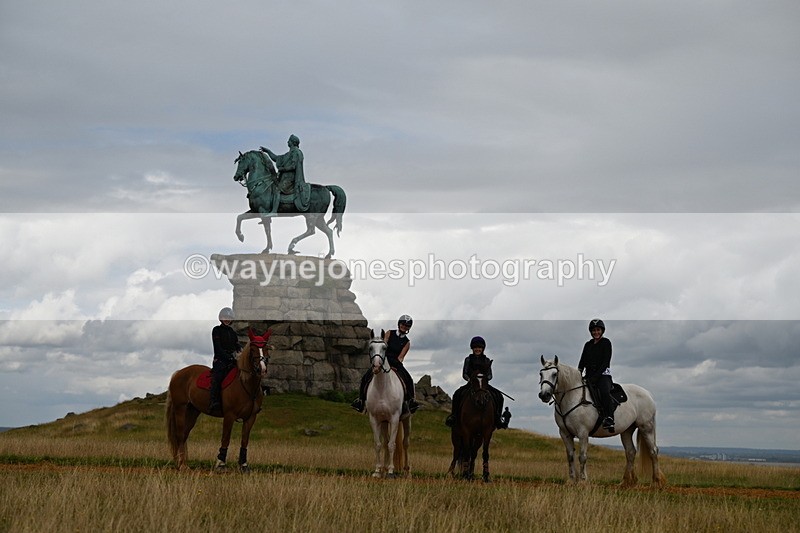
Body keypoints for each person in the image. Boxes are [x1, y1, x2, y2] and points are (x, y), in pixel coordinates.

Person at [351, 315, 419, 414]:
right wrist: (382, 362)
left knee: (409, 379)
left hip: (396, 363)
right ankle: (360, 401)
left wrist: (393, 366)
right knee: (365, 377)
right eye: (403, 324)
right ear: (399, 324)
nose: (404, 327)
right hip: (384, 359)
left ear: (409, 328)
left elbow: (401, 357)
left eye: (407, 326)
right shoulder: (389, 333)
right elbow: (384, 346)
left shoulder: (407, 342)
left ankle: (410, 402)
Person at [445, 336, 508, 429]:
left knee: (499, 396)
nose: (477, 349)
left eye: (479, 348)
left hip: (484, 385)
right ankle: (454, 416)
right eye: (475, 348)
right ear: (472, 349)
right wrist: (469, 379)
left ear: (483, 349)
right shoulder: (468, 359)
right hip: (471, 384)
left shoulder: (486, 360)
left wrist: (485, 379)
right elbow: (464, 373)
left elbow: (490, 375)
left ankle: (497, 418)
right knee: (457, 394)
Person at [578, 318, 615, 432]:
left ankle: (609, 417)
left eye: (598, 330)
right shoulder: (588, 345)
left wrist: (596, 377)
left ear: (602, 331)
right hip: (589, 376)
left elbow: (605, 362)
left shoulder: (606, 343)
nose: (596, 332)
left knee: (604, 392)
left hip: (603, 375)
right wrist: (578, 372)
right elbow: (582, 360)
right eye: (594, 330)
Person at [260, 134, 311, 212]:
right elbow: (276, 158)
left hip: (291, 179)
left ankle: (274, 211)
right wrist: (268, 151)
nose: (287, 142)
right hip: (285, 177)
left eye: (289, 141)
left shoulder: (296, 152)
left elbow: (293, 166)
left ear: (292, 142)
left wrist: (282, 169)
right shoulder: (289, 153)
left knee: (277, 189)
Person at [209, 307, 242, 412]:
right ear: (221, 318)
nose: (227, 319)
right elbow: (217, 348)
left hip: (232, 360)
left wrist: (241, 352)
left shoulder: (232, 332)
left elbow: (237, 345)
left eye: (228, 318)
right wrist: (229, 358)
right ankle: (214, 401)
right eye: (225, 317)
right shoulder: (216, 330)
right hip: (220, 360)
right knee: (218, 378)